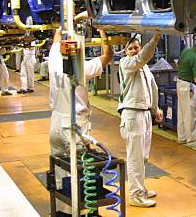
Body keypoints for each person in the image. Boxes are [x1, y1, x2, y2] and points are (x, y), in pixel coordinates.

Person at [49, 27, 113, 217]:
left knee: (60, 170)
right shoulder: (81, 68)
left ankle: (63, 212)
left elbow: (56, 37)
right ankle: (80, 213)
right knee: (79, 174)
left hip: (55, 123)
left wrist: (66, 25)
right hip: (74, 124)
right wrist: (103, 32)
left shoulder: (53, 60)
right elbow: (107, 56)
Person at [118, 33, 163, 208]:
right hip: (132, 114)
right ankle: (135, 195)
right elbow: (143, 57)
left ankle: (141, 188)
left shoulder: (144, 68)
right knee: (135, 157)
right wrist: (155, 40)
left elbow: (152, 88)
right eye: (130, 48)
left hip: (144, 114)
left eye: (136, 47)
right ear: (125, 52)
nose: (134, 50)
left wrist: (155, 108)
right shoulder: (126, 63)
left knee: (143, 156)